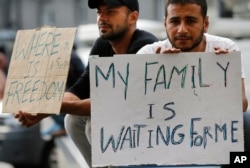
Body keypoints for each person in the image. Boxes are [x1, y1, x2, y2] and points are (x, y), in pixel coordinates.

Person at [15, 0, 158, 167]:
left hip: (150, 129)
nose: (102, 18)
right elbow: (81, 88)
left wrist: (50, 106)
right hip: (123, 123)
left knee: (95, 123)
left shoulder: (144, 46)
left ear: (133, 17)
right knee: (73, 120)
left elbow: (112, 103)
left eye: (110, 12)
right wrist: (42, 108)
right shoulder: (103, 45)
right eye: (99, 12)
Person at [137, 0, 248, 113]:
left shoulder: (225, 48)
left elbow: (242, 107)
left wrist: (227, 77)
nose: (182, 30)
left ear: (205, 24)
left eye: (190, 21)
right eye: (175, 22)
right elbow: (133, 111)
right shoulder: (147, 54)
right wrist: (156, 73)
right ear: (165, 24)